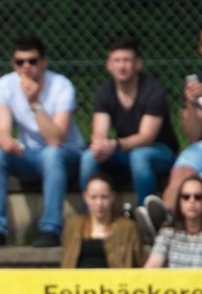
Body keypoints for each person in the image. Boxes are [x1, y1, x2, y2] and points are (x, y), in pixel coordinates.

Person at [0, 34, 84, 248]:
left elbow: (55, 139)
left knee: (52, 155)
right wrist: (6, 141)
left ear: (43, 62)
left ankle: (50, 229)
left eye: (32, 61)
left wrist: (35, 102)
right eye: (20, 62)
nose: (26, 67)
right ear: (13, 64)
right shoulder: (4, 85)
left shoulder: (62, 86)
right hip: (30, 153)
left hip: (66, 154)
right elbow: (2, 130)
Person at [137, 14, 202, 237]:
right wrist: (191, 105)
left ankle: (177, 228)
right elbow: (194, 135)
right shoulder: (196, 83)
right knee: (181, 173)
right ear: (200, 49)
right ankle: (163, 221)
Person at [79, 35, 178, 243]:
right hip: (125, 151)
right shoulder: (105, 92)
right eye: (116, 60)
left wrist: (115, 144)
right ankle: (90, 221)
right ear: (108, 65)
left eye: (127, 60)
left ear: (138, 64)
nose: (122, 66)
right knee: (89, 157)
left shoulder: (153, 91)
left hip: (159, 152)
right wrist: (100, 145)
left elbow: (146, 136)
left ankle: (147, 221)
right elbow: (99, 130)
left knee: (139, 157)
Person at [60, 172, 144, 268]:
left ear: (112, 197)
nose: (99, 203)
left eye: (104, 197)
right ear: (85, 197)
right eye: (93, 197)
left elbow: (139, 261)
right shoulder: (73, 226)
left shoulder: (128, 228)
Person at [144, 175, 202, 268]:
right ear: (179, 201)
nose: (192, 201)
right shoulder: (168, 233)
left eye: (198, 197)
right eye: (186, 197)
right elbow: (151, 267)